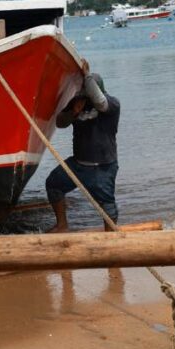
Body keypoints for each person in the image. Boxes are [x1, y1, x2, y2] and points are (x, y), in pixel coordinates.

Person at [45, 59, 121, 232]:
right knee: (53, 184)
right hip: (78, 165)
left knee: (107, 205)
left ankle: (111, 236)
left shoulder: (112, 104)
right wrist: (73, 112)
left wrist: (87, 76)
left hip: (102, 167)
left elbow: (100, 102)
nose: (87, 99)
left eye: (89, 95)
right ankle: (62, 225)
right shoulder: (79, 104)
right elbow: (60, 123)